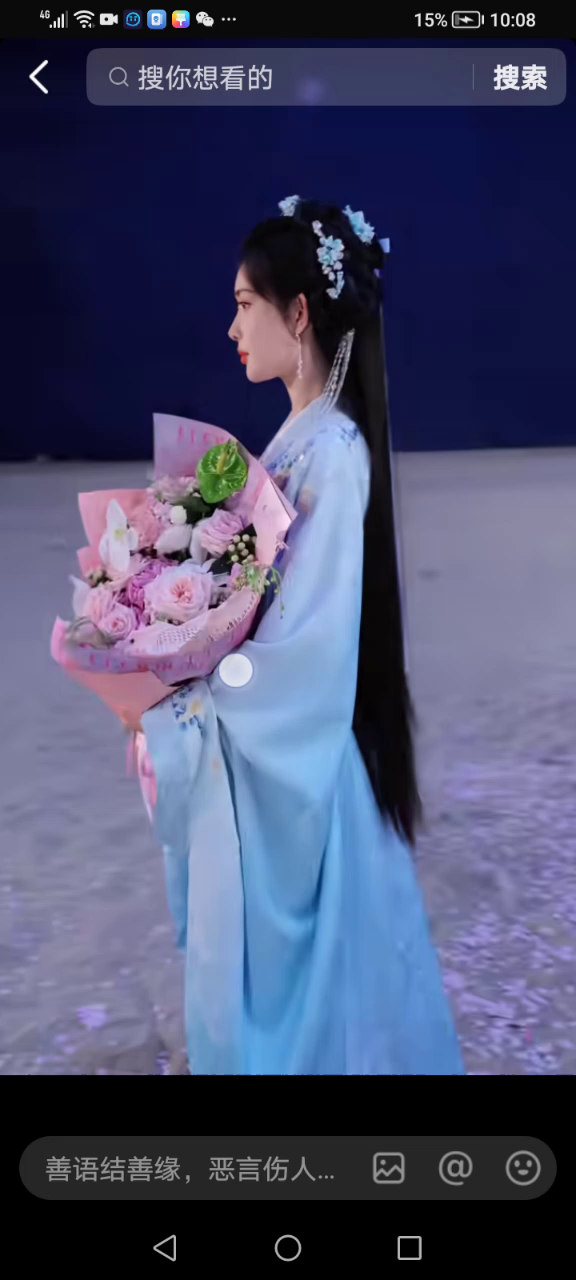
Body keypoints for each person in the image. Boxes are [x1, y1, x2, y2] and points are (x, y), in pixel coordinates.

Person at [140, 196, 465, 1075]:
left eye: (246, 303)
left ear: (298, 315)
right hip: (289, 763)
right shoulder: (298, 442)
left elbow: (309, 654)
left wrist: (189, 705)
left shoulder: (330, 453)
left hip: (305, 770)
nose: (232, 327)